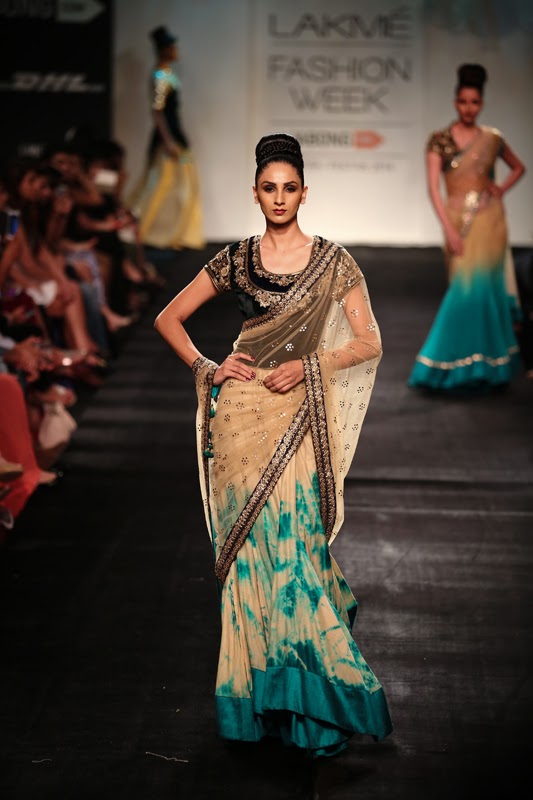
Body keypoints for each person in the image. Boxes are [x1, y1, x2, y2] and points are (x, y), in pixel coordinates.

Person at [154, 133, 392, 757]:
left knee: (296, 551)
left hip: (296, 418)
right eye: (269, 188)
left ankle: (314, 699)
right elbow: (167, 318)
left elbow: (368, 342)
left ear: (305, 192)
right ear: (255, 192)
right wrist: (209, 367)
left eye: (289, 188)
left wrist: (311, 365)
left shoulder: (334, 262)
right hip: (239, 419)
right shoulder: (235, 259)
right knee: (247, 562)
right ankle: (259, 702)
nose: (279, 198)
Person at [408, 63, 526, 393]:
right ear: (455, 102)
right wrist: (448, 229)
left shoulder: (492, 138)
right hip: (456, 220)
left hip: (489, 221)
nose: (468, 108)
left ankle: (455, 366)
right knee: (464, 288)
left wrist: (500, 190)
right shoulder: (440, 140)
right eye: (463, 102)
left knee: (477, 291)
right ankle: (469, 364)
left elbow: (518, 167)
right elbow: (434, 190)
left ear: (482, 103)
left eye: (474, 102)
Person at [128, 25, 205, 251]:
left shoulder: (167, 73)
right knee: (161, 186)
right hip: (168, 139)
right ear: (164, 49)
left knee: (183, 187)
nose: (176, 50)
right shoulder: (160, 76)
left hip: (175, 135)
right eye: (172, 46)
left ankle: (176, 234)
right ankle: (147, 232)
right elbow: (157, 111)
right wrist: (168, 141)